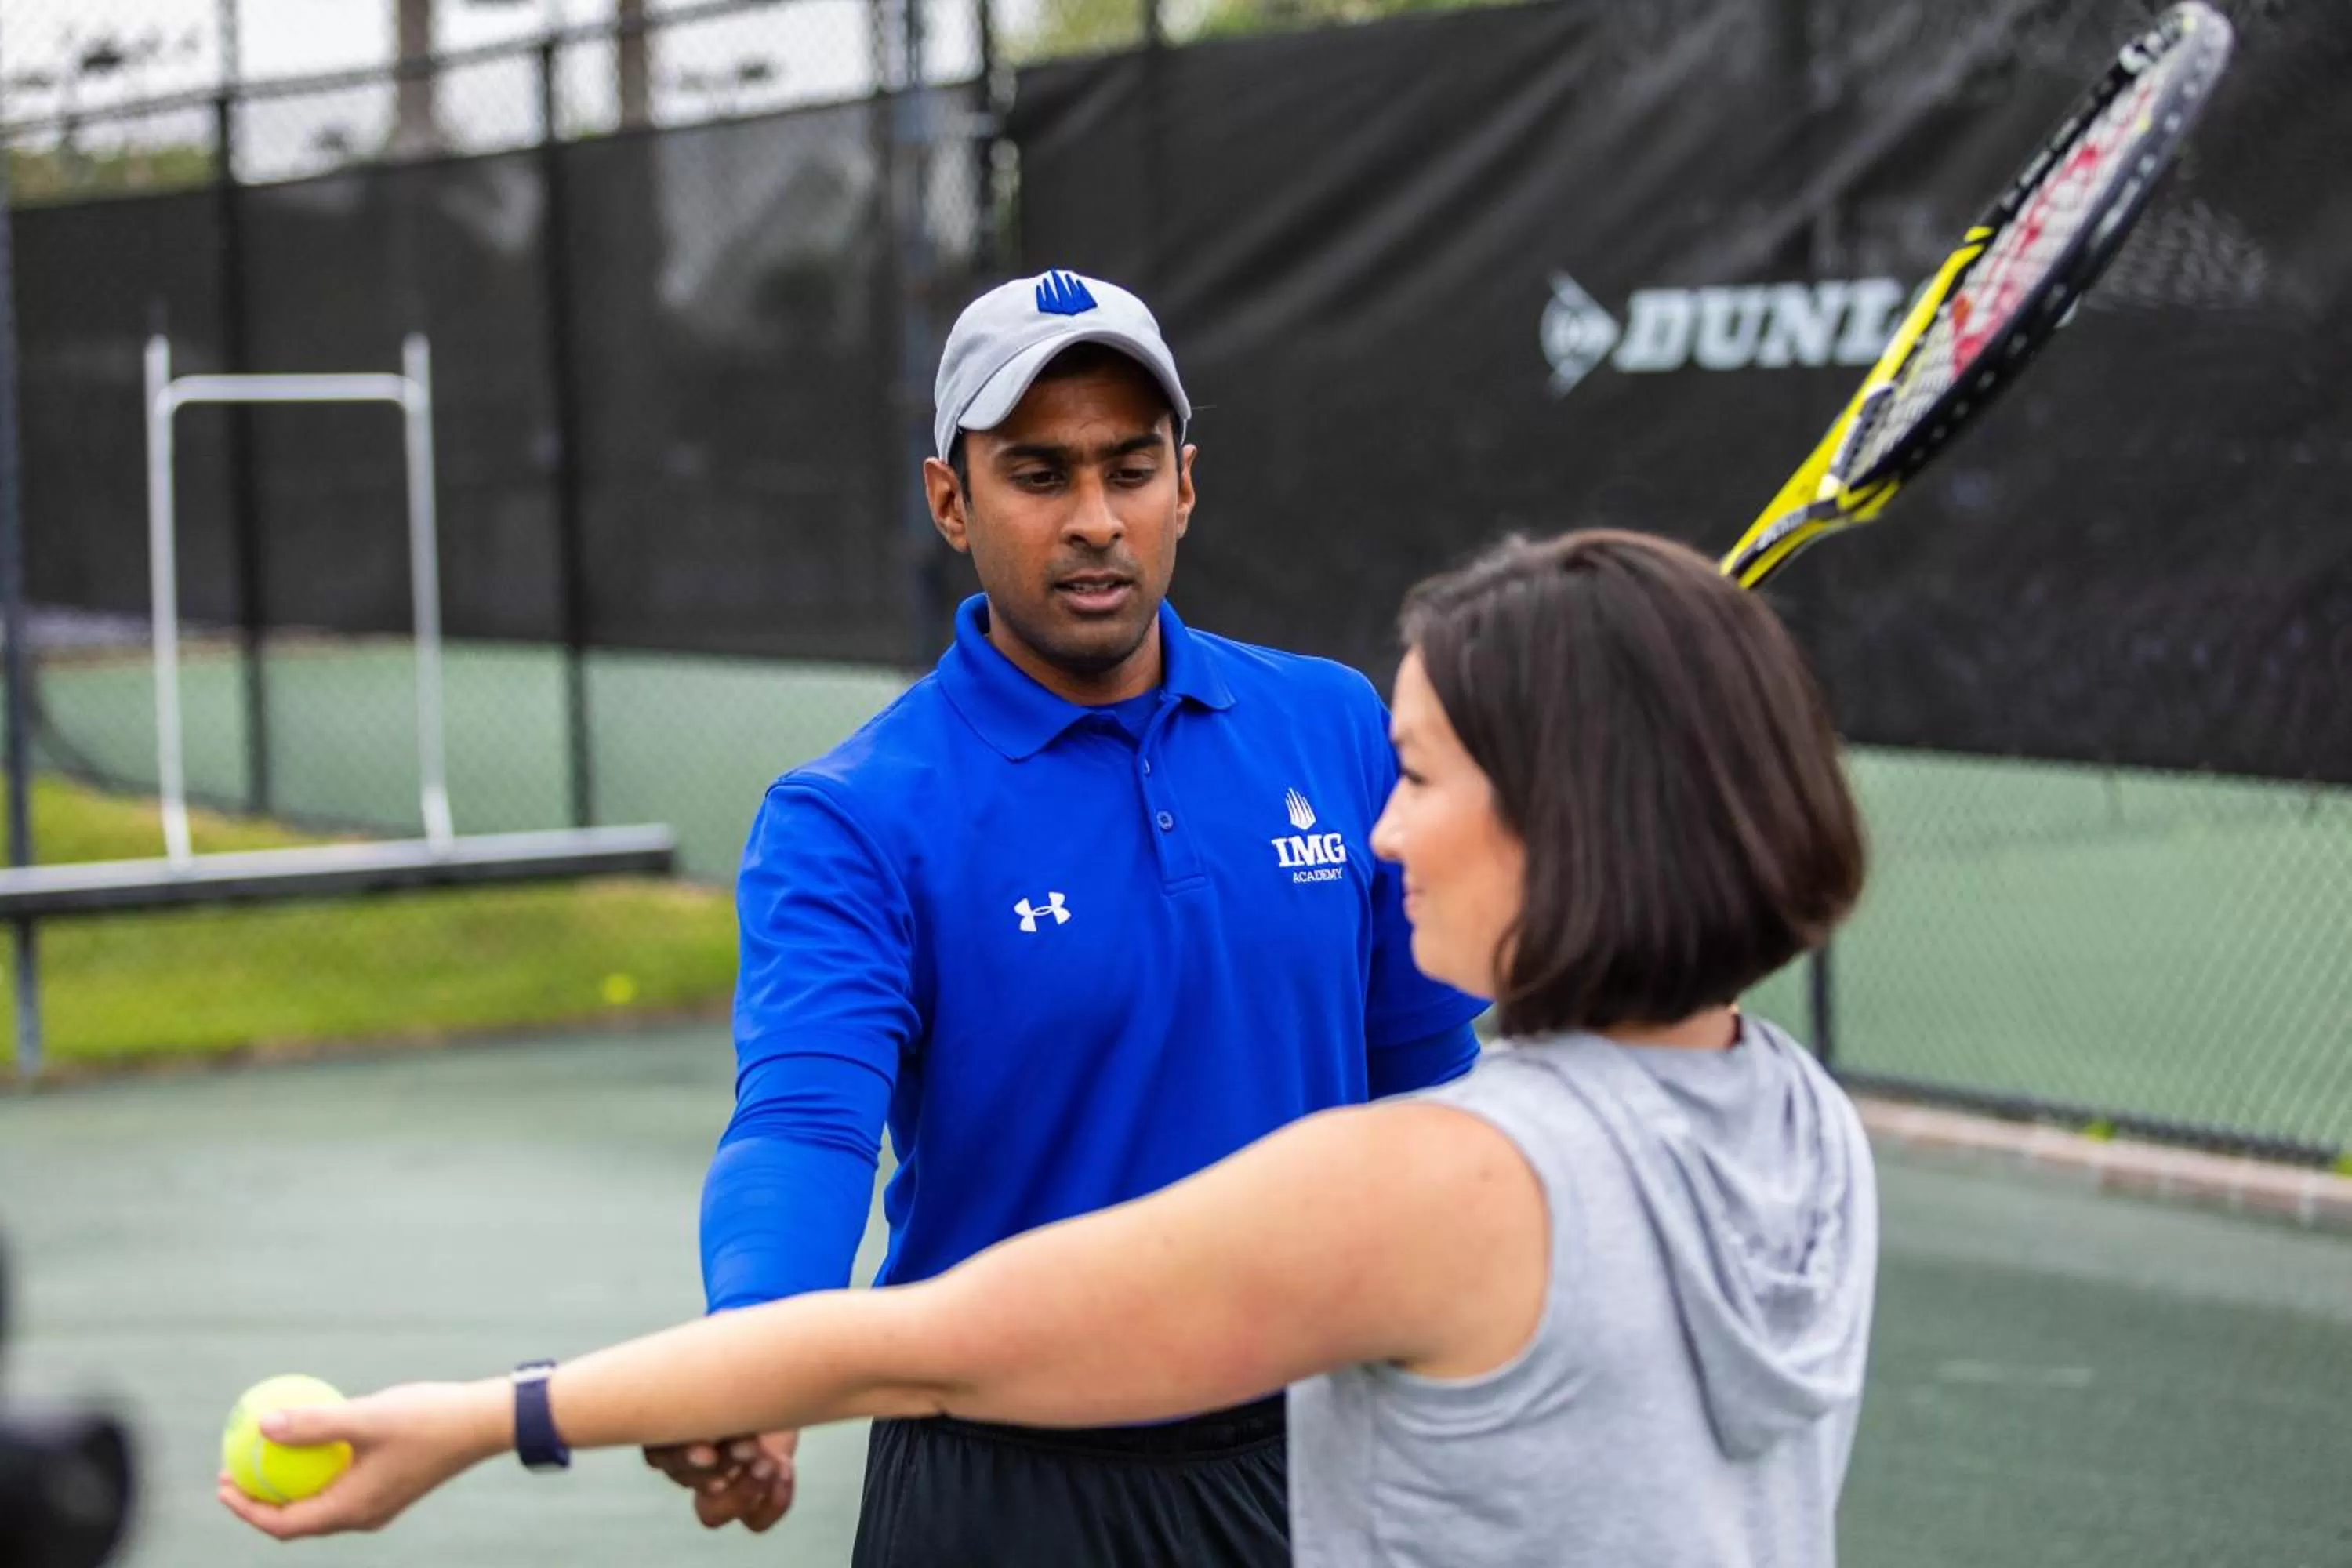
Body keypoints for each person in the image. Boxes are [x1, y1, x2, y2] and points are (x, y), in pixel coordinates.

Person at [220, 528, 1879, 1567]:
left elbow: (931, 1343)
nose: (1382, 834)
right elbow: (808, 1127)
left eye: (1425, 778)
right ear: (955, 494)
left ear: (1563, 812)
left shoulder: (1451, 1184)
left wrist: (471, 1419)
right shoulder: (1801, 1120)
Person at [646, 268, 1486, 1563]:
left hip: (1317, 1463)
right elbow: (809, 1121)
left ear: (1185, 484)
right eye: (1040, 476)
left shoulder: (1334, 728)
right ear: (951, 501)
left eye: (1129, 470)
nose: (1096, 520)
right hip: (997, 1487)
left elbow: (1426, 1075)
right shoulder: (852, 816)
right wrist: (760, 1346)